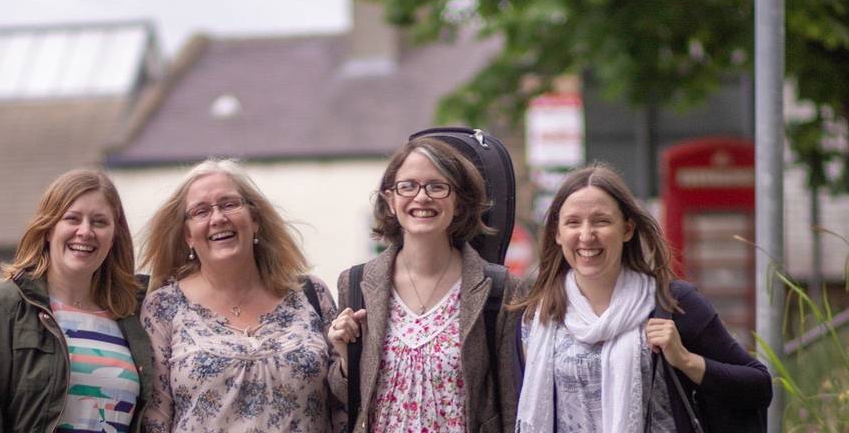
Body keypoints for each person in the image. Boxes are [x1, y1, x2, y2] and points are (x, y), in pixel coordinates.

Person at [514, 162, 772, 433]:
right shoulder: (540, 316)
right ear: (557, 233)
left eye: (601, 221)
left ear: (627, 229)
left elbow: (758, 385)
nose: (587, 235)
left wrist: (685, 360)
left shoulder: (672, 303)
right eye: (573, 223)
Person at [328, 136, 524, 433]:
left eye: (437, 186)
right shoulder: (356, 284)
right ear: (390, 201)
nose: (422, 197)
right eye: (408, 186)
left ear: (459, 202)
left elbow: (512, 402)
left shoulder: (498, 287)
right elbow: (348, 399)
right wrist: (345, 358)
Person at [138, 158, 343, 432]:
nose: (218, 218)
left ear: (255, 219)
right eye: (200, 211)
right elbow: (155, 418)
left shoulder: (310, 295)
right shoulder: (163, 306)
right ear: (187, 234)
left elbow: (345, 406)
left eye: (229, 204)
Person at [0, 169, 152, 433]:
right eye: (72, 218)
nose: (85, 231)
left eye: (99, 222)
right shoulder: (0, 308)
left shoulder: (133, 316)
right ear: (48, 228)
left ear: (114, 235)